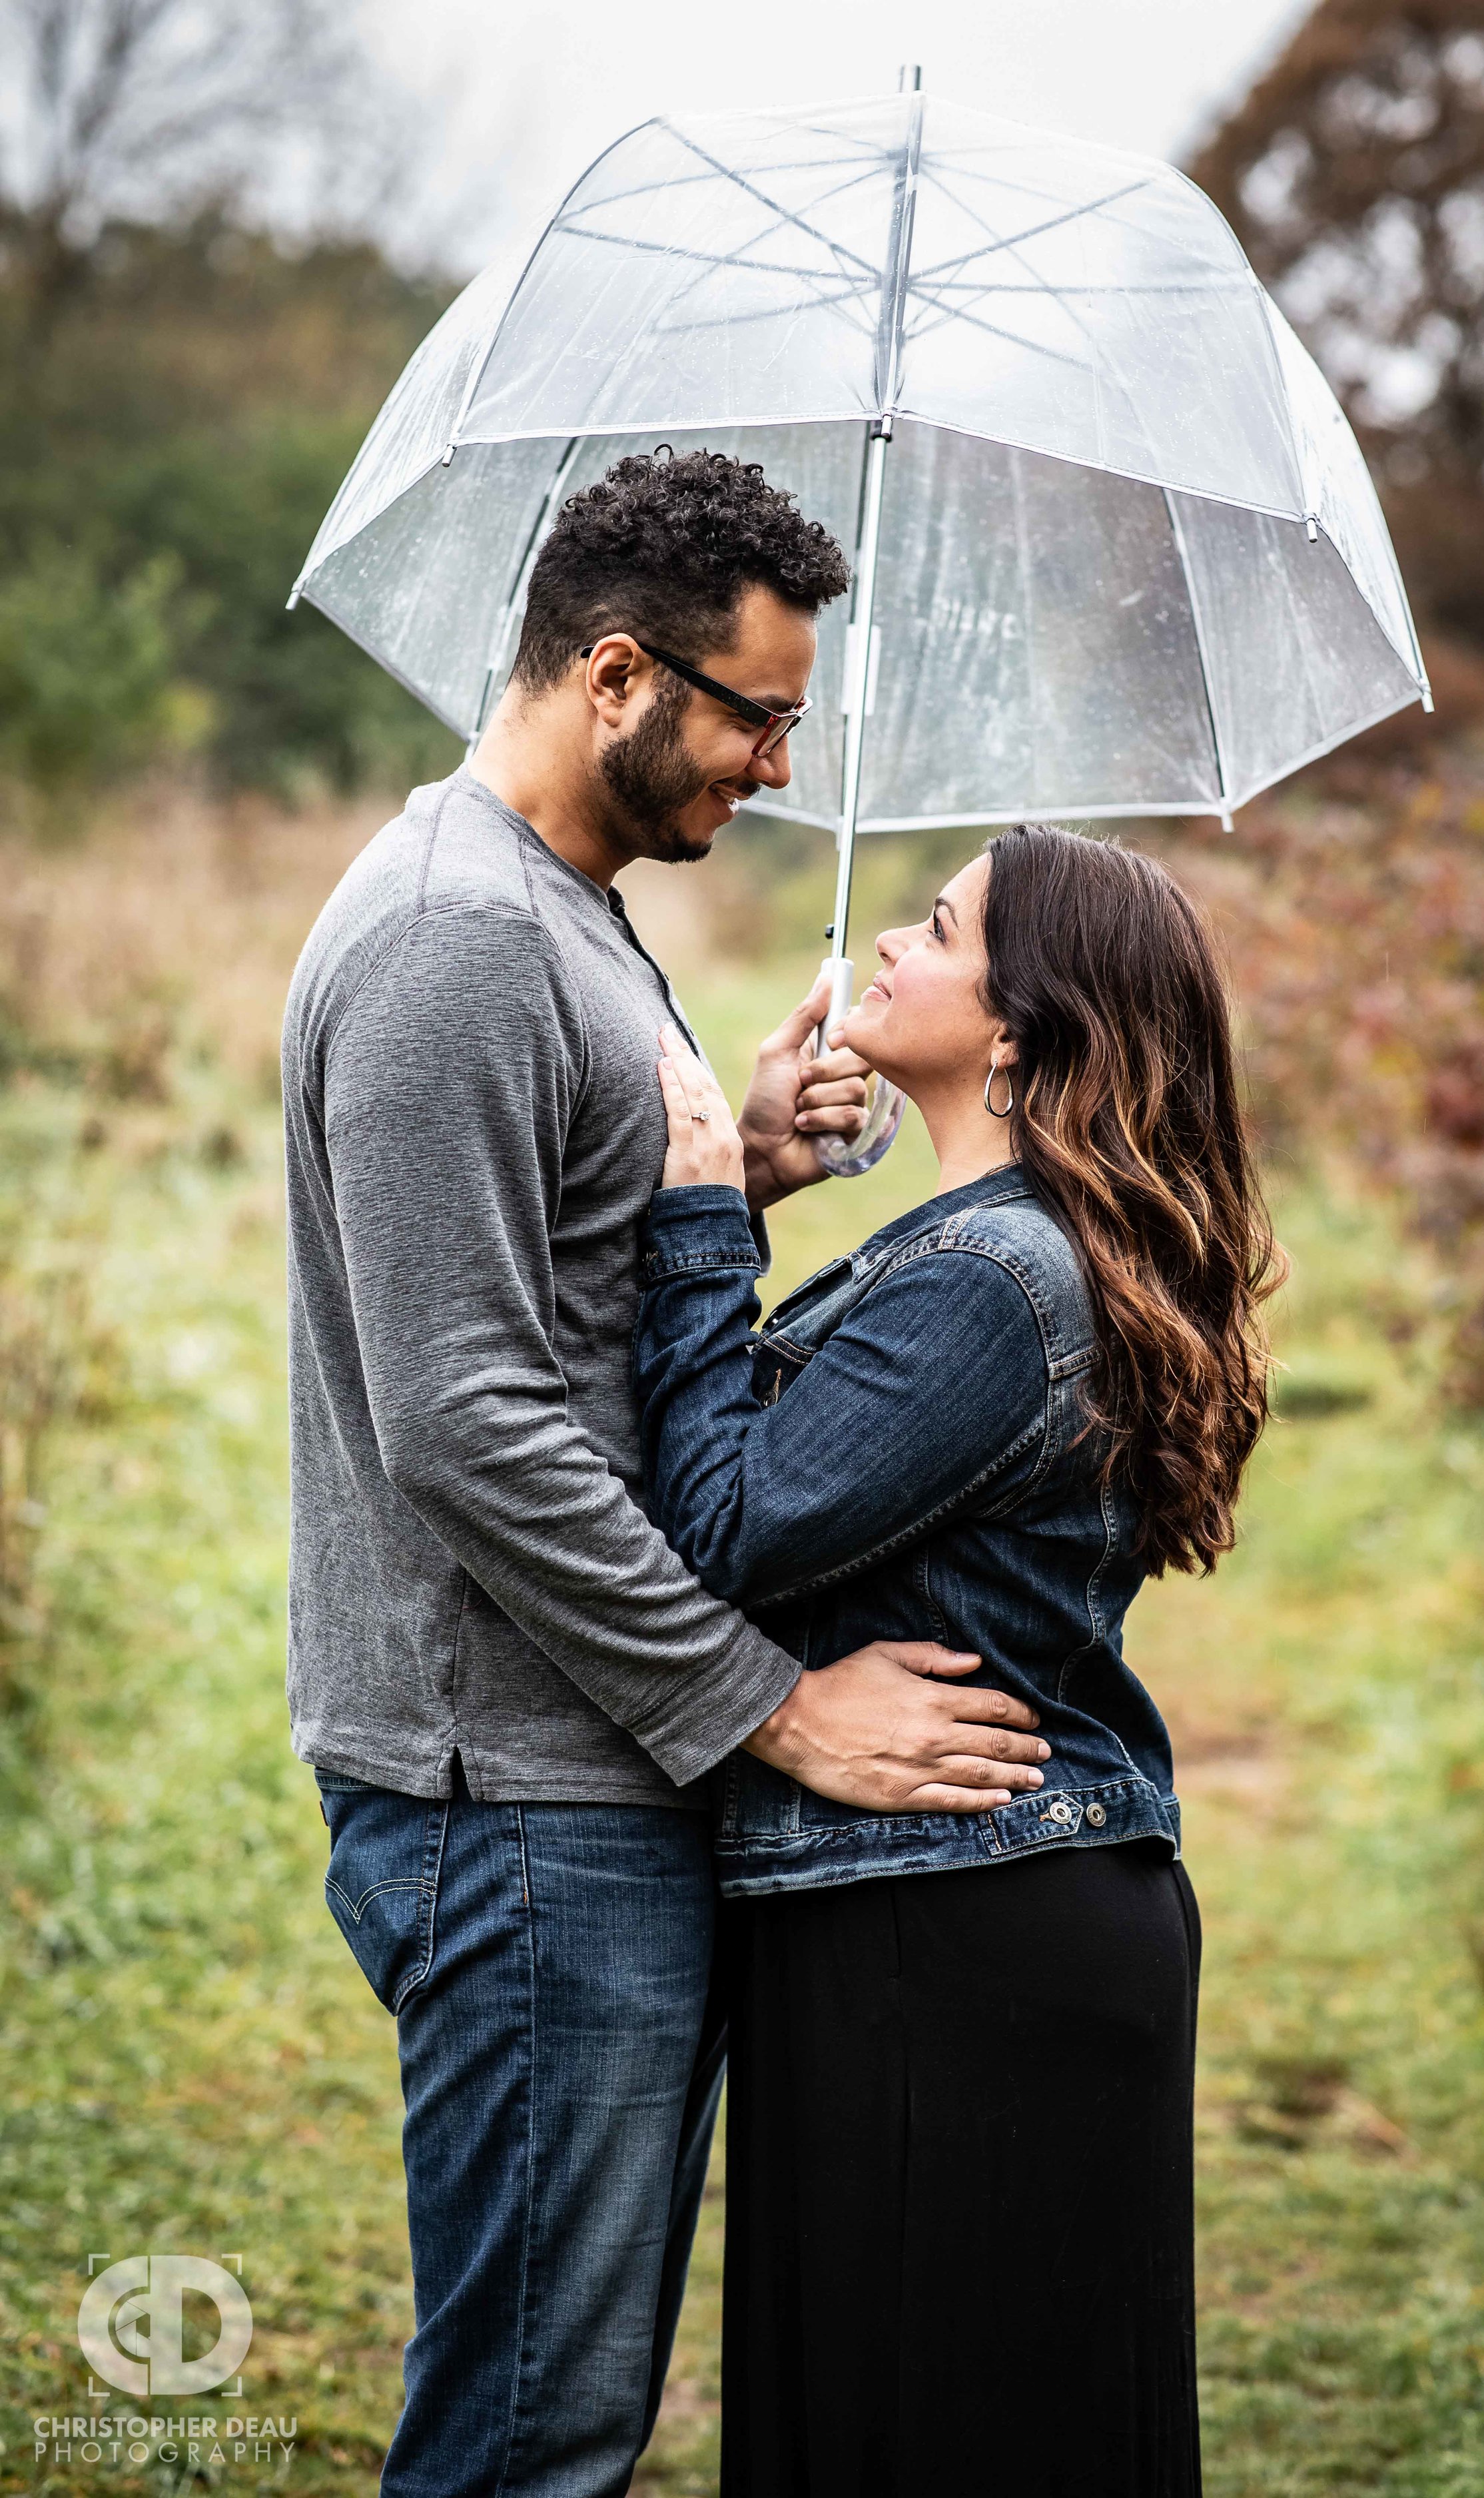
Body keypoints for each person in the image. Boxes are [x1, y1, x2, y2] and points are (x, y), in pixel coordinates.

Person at [281, 449, 1050, 2498]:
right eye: (755, 714)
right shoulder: (457, 942)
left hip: (574, 1770)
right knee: (533, 2433)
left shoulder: (567, 916)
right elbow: (467, 1417)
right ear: (615, 673)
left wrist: (754, 1174)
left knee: (568, 2405)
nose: (780, 767)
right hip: (513, 1794)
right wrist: (770, 1704)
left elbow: (554, 1295)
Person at [635, 823, 1285, 2498]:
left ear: (1015, 1028)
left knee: (924, 2431)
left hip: (953, 1923)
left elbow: (724, 1525)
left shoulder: (994, 1281)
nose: (894, 949)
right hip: (963, 1903)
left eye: (935, 929)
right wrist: (766, 1183)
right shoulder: (991, 1248)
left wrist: (706, 1215)